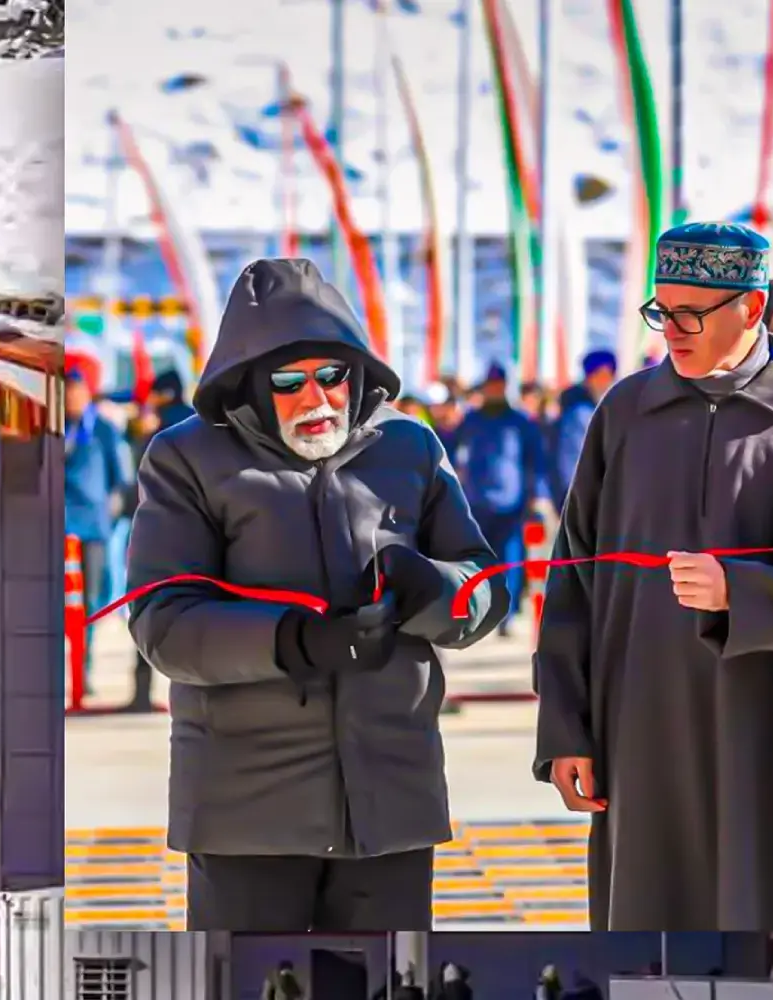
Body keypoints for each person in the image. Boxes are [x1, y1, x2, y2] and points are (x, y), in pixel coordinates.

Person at [126, 258, 509, 931]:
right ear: (248, 384)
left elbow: (484, 589)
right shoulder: (186, 459)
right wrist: (291, 641)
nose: (318, 398)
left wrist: (436, 592)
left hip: (391, 803)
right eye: (289, 382)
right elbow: (163, 622)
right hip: (248, 812)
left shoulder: (410, 448)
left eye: (333, 376)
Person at [534, 222, 773, 929]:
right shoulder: (625, 413)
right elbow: (574, 578)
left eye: (690, 313)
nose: (670, 330)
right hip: (641, 736)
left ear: (750, 308)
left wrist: (743, 592)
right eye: (661, 310)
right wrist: (564, 729)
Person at [449, 361, 548, 635]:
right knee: (478, 562)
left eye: (498, 384)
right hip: (476, 503)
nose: (494, 389)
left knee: (510, 561)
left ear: (505, 386)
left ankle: (505, 616)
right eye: (490, 385)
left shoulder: (520, 422)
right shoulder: (471, 419)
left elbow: (536, 461)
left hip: (511, 503)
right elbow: (447, 448)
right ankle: (479, 612)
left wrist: (537, 496)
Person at [63, 361, 133, 676]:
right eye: (66, 394)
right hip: (57, 530)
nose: (71, 399)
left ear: (87, 393)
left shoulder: (103, 431)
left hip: (93, 529)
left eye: (76, 393)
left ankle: (83, 667)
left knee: (90, 602)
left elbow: (121, 481)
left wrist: (110, 517)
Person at [550, 349, 618, 508]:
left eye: (608, 376)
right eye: (599, 376)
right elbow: (571, 462)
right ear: (589, 379)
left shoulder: (608, 408)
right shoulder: (580, 415)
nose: (605, 382)